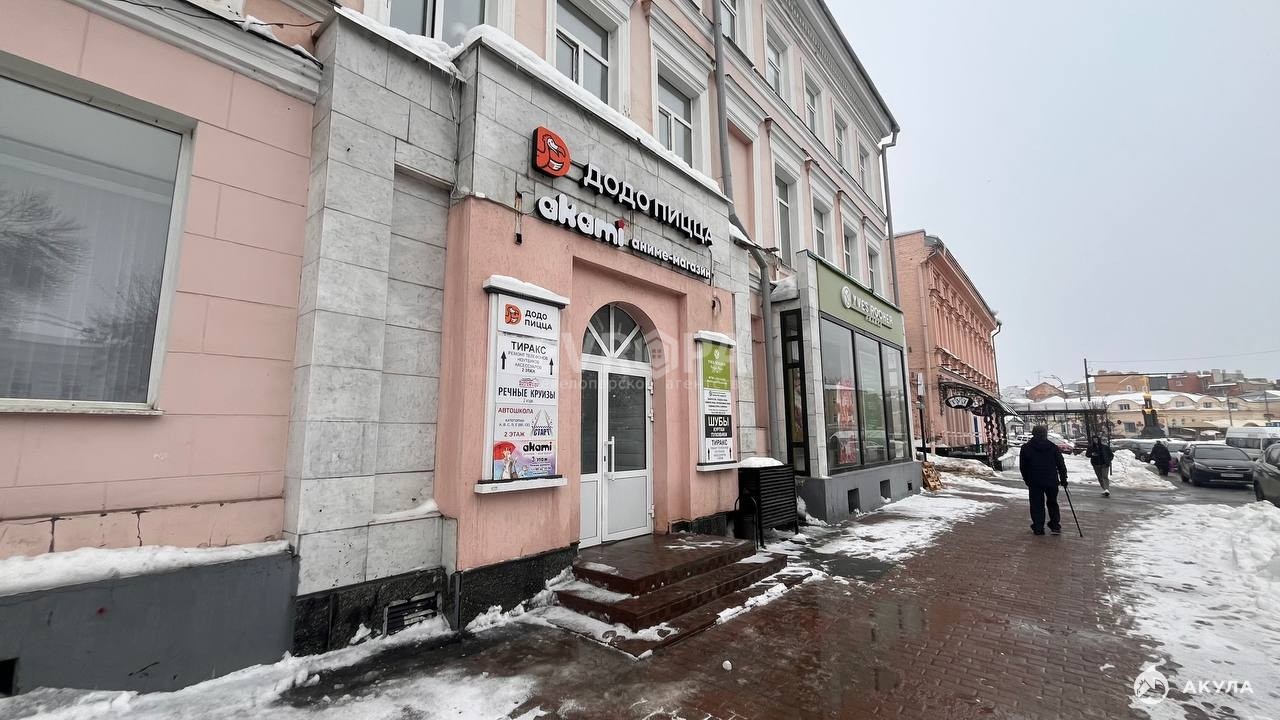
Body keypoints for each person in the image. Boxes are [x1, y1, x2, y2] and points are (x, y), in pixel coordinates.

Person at [1019, 426, 1069, 535]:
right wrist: (1063, 478)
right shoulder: (1053, 447)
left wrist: (1026, 479)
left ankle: (1038, 527)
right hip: (1051, 480)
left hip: (1034, 480)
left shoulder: (1026, 448)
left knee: (1036, 504)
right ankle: (1055, 526)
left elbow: (1023, 466)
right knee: (1052, 503)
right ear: (1045, 434)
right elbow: (1060, 464)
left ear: (1033, 434)